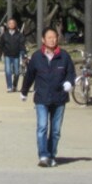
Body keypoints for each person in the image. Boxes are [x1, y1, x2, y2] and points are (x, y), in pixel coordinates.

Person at [20, 27, 76, 168]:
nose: (52, 40)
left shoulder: (64, 56)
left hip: (59, 98)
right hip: (42, 97)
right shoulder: (37, 57)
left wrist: (69, 83)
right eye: (49, 37)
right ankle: (43, 155)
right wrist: (24, 91)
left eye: (54, 37)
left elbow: (71, 73)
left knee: (56, 131)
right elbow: (30, 76)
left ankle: (51, 154)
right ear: (43, 40)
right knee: (42, 127)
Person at [0, 18, 27, 92]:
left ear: (15, 24)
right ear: (7, 25)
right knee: (8, 71)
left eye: (13, 23)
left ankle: (14, 85)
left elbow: (22, 45)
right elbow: (1, 45)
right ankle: (9, 87)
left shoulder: (19, 35)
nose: (11, 25)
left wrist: (24, 54)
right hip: (7, 55)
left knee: (17, 73)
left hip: (16, 55)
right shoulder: (4, 35)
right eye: (10, 23)